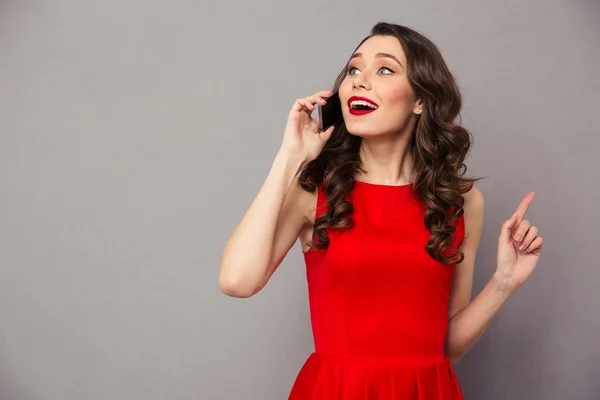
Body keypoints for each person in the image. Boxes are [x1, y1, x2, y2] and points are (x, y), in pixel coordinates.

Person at [219, 21, 543, 399]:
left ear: (420, 99)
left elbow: (446, 347)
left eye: (384, 69)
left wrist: (504, 283)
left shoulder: (460, 201)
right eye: (354, 69)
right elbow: (237, 281)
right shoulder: (314, 193)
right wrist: (290, 159)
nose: (359, 80)